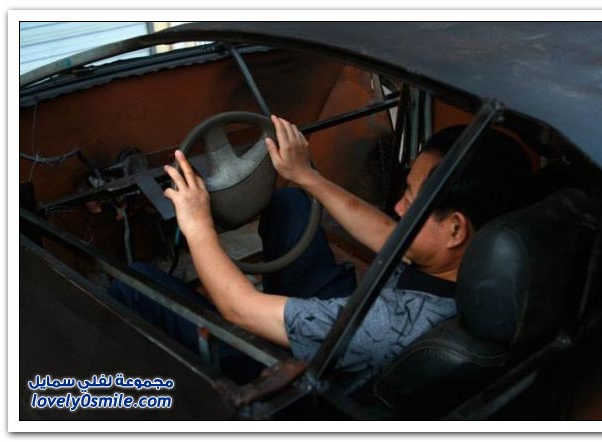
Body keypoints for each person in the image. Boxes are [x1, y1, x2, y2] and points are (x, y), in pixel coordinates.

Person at [110, 116, 531, 390]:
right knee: (292, 203)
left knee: (135, 281)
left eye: (411, 199)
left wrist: (198, 223)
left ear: (455, 228)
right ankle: (281, 312)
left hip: (304, 371)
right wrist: (305, 176)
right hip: (351, 315)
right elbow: (390, 233)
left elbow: (239, 309)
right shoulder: (481, 265)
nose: (398, 207)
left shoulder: (397, 324)